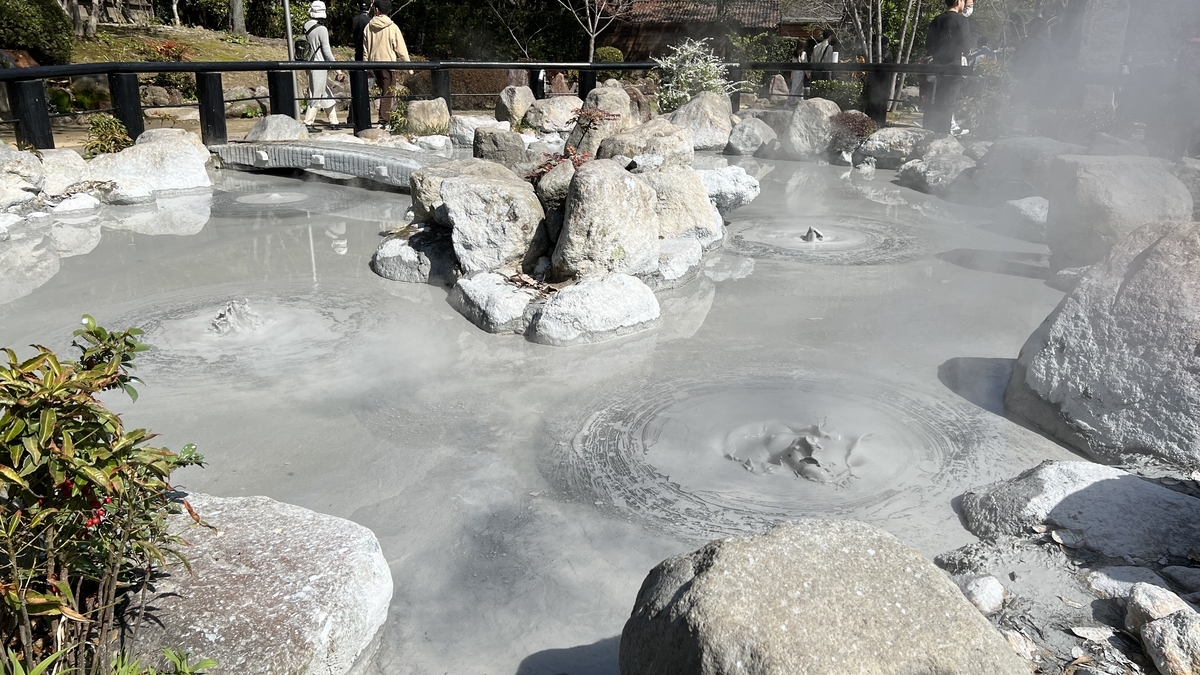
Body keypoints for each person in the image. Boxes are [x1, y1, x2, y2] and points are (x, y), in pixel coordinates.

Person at [923, 0, 973, 134]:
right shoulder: (962, 21)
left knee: (936, 99)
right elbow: (966, 47)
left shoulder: (937, 20)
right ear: (958, 1)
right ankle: (943, 134)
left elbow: (929, 46)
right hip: (953, 68)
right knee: (949, 101)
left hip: (937, 67)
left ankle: (932, 132)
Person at [364, 0, 411, 126]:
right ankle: (384, 121)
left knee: (383, 91)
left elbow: (365, 49)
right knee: (388, 92)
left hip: (374, 64)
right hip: (388, 64)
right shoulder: (392, 27)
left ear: (377, 10)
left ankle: (384, 119)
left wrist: (365, 66)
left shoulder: (369, 27)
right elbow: (401, 48)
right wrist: (409, 66)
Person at [302, 1, 340, 127]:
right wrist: (338, 69)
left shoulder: (306, 25)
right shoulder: (322, 29)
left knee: (324, 91)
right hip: (319, 65)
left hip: (309, 63)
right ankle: (308, 123)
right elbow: (327, 51)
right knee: (316, 94)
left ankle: (334, 121)